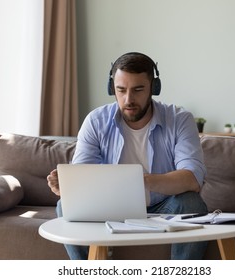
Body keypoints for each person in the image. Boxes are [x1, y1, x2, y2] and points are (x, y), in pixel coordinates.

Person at [47, 52, 209, 260]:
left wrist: (139, 181)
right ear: (111, 88)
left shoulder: (179, 119)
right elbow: (81, 175)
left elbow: (193, 179)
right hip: (109, 207)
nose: (128, 99)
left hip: (163, 207)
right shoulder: (96, 121)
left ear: (154, 87)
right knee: (64, 206)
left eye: (138, 90)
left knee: (191, 203)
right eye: (121, 90)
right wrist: (69, 190)